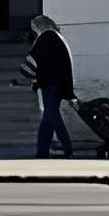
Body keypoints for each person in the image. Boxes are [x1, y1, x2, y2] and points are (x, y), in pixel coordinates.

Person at [28, 13, 74, 157]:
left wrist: (26, 77)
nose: (32, 29)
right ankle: (42, 152)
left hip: (50, 84)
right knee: (48, 119)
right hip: (57, 83)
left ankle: (68, 149)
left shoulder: (46, 37)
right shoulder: (55, 36)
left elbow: (33, 58)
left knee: (53, 116)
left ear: (38, 25)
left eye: (33, 26)